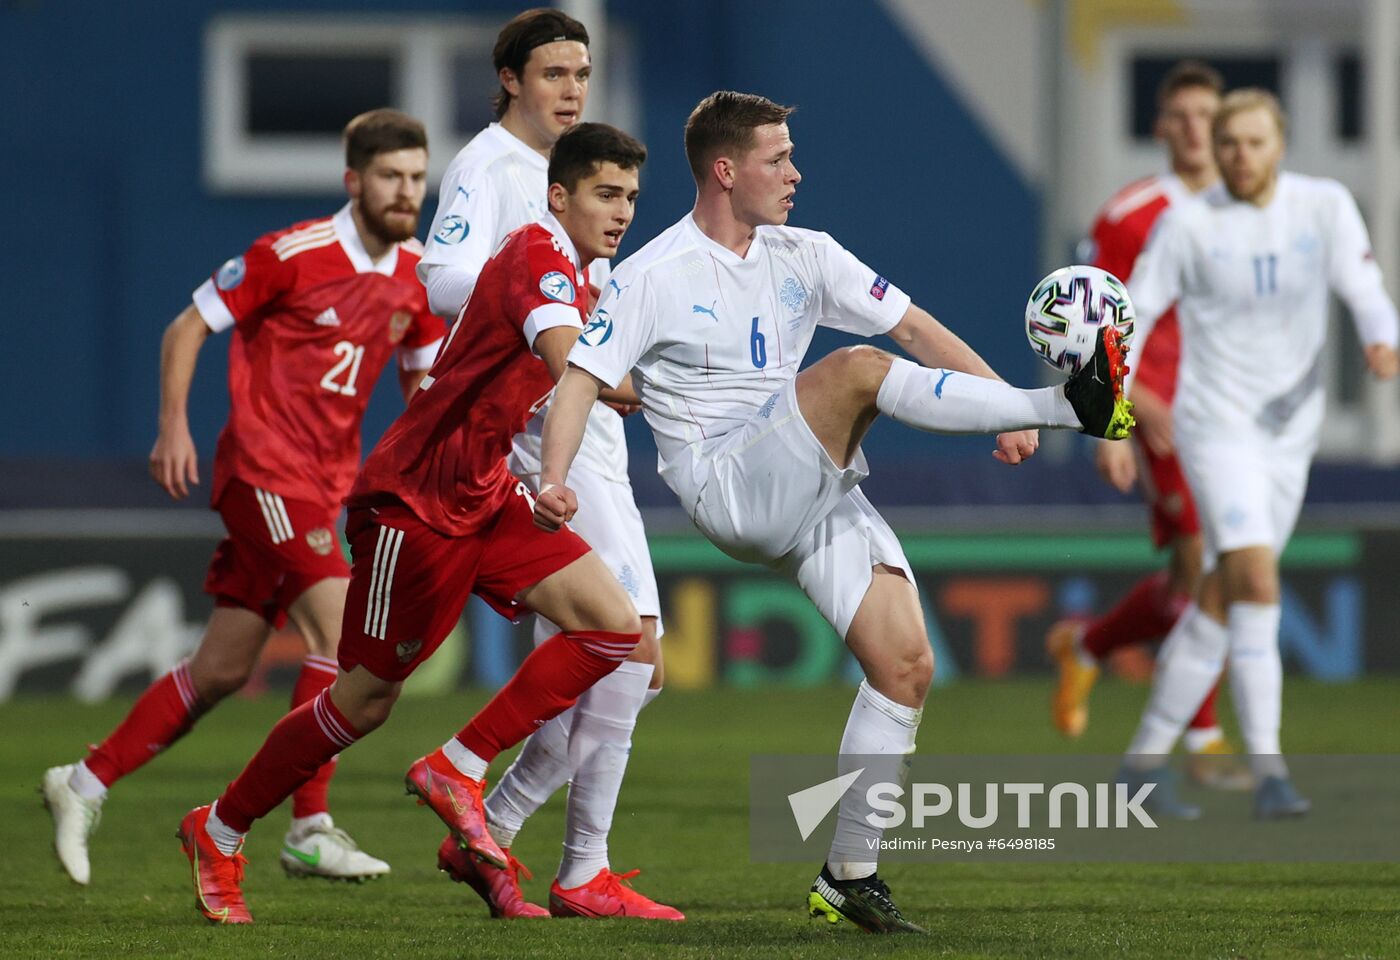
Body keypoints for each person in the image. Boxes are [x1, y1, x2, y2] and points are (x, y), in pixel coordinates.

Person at [532, 91, 1133, 934]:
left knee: (906, 665)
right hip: (728, 485)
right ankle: (1071, 404)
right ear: (725, 169)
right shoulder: (653, 274)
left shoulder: (804, 253)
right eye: (777, 159)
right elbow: (581, 380)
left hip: (808, 474)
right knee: (853, 369)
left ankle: (848, 875)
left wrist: (995, 402)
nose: (795, 172)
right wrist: (553, 478)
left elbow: (916, 329)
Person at [174, 123, 654, 926]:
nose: (623, 212)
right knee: (362, 702)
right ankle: (219, 828)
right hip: (417, 504)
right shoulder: (536, 252)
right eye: (607, 194)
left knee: (613, 628)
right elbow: (571, 355)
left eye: (632, 197)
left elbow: (586, 362)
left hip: (485, 492)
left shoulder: (577, 269)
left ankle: (459, 765)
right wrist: (609, 380)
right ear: (559, 194)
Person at [40, 109, 444, 886]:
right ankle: (308, 827)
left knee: (222, 668)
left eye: (418, 178)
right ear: (354, 181)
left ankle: (82, 782)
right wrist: (172, 429)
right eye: (392, 177)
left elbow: (422, 389)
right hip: (261, 472)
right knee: (342, 630)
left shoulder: (417, 276)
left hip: (324, 490)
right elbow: (186, 329)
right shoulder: (290, 255)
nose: (407, 192)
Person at [417, 8, 676, 919]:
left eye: (582, 73)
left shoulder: (576, 172)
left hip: (590, 420)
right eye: (555, 73)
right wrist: (539, 299)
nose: (572, 88)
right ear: (512, 79)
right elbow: (440, 275)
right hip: (541, 425)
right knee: (630, 652)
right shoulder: (490, 166)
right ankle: (572, 865)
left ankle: (499, 830)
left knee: (618, 660)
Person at [1117, 89, 1399, 820]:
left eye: (1253, 142)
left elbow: (1363, 283)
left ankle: (1141, 764)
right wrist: (1114, 410)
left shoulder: (1324, 205)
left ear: (1280, 144)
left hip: (1290, 434)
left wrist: (1381, 335)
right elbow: (1137, 313)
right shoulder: (1186, 225)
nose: (1240, 155)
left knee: (1221, 594)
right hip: (1216, 426)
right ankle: (1271, 771)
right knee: (1256, 578)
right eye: (1229, 143)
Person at [1046, 61, 1251, 791]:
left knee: (1197, 577)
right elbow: (1093, 319)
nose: (1197, 128)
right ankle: (1204, 742)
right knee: (1213, 574)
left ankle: (1089, 645)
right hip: (1163, 413)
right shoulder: (1132, 213)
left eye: (1208, 114)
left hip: (1232, 413)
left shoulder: (1250, 210)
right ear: (1162, 126)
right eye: (1183, 115)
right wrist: (1115, 424)